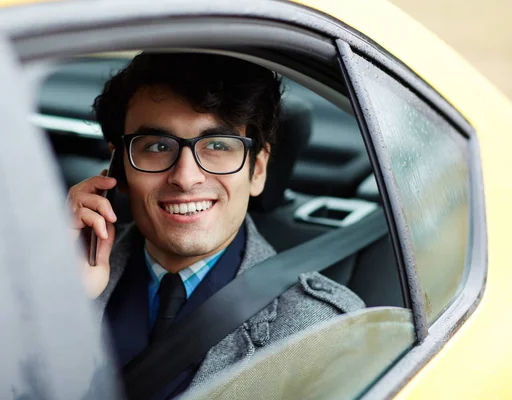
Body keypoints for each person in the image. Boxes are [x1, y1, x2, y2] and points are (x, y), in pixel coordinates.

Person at [66, 52, 364, 399]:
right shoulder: (60, 282)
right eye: (158, 147)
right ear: (120, 170)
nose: (185, 177)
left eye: (218, 146)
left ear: (258, 170)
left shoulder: (325, 332)